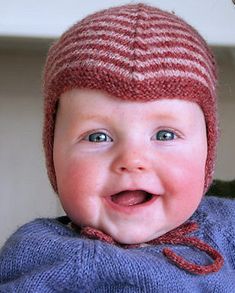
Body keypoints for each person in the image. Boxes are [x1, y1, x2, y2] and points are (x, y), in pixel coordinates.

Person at [0, 3, 234, 292]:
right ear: (53, 156)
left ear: (207, 153)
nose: (132, 160)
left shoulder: (227, 226)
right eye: (98, 137)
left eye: (164, 135)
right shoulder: (37, 249)